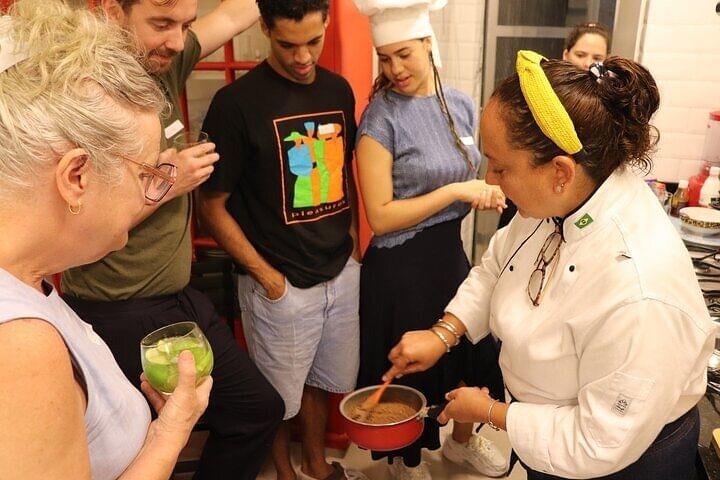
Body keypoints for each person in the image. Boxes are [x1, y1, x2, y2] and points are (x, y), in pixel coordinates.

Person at [384, 50, 715, 480]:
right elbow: (497, 265)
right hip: (546, 429)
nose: (489, 179)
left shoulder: (640, 289)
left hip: (626, 461)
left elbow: (595, 442)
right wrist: (444, 333)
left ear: (560, 171)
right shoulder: (566, 195)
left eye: (500, 167)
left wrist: (490, 412)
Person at [60, 0, 285, 477]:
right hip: (120, 307)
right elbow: (79, 227)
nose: (179, 41)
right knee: (136, 444)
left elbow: (234, 15)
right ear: (112, 11)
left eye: (185, 24)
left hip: (179, 294)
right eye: (162, 24)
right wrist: (168, 182)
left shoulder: (162, 60)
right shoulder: (81, 93)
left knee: (257, 410)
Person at [0, 1, 211, 478]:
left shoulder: (28, 282)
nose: (152, 192)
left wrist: (167, 426)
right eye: (146, 174)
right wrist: (174, 431)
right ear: (76, 175)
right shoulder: (20, 346)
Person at [198, 1, 367, 480]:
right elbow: (210, 205)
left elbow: (343, 172)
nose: (303, 57)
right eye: (288, 45)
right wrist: (266, 277)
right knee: (276, 397)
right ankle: (286, 475)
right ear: (265, 29)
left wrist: (353, 245)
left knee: (321, 381)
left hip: (338, 270)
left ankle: (315, 465)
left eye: (313, 41)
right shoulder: (235, 104)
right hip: (279, 282)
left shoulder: (338, 90)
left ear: (327, 23)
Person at [350, 1, 508, 479]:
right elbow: (380, 216)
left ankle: (461, 443)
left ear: (427, 44)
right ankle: (405, 459)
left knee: (467, 352)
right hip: (401, 266)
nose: (395, 69)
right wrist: (457, 191)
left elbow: (473, 170)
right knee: (414, 368)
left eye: (404, 54)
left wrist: (490, 189)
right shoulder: (380, 120)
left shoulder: (458, 103)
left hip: (449, 254)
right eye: (385, 59)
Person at [498, 22, 611, 229]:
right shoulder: (539, 94)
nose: (588, 63)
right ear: (566, 55)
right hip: (526, 192)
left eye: (597, 58)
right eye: (581, 54)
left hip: (571, 205)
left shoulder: (606, 109)